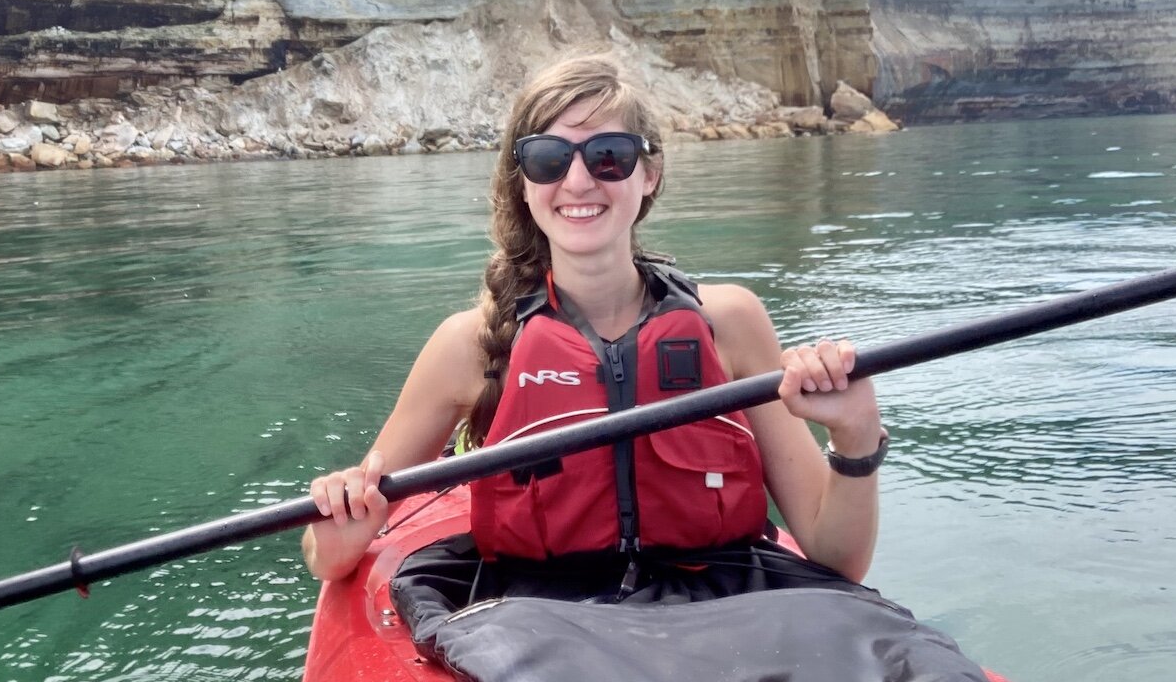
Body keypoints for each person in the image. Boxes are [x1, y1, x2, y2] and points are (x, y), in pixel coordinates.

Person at [301, 56, 885, 593]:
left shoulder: (730, 322)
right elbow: (325, 558)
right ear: (523, 182)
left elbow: (838, 559)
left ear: (648, 173)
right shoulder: (470, 345)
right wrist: (343, 514)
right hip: (542, 635)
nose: (578, 182)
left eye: (609, 156)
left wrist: (854, 440)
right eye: (548, 159)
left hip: (722, 609)